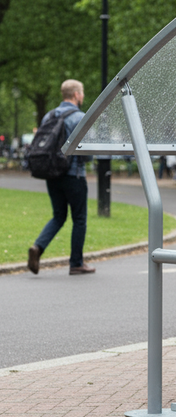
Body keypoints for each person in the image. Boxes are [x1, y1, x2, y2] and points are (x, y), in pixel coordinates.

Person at [27, 79, 95, 276]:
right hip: (74, 175)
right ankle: (76, 263)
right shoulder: (79, 117)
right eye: (82, 93)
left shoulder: (49, 115)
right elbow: (87, 154)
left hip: (52, 174)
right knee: (79, 219)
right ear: (76, 95)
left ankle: (38, 247)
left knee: (58, 216)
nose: (83, 96)